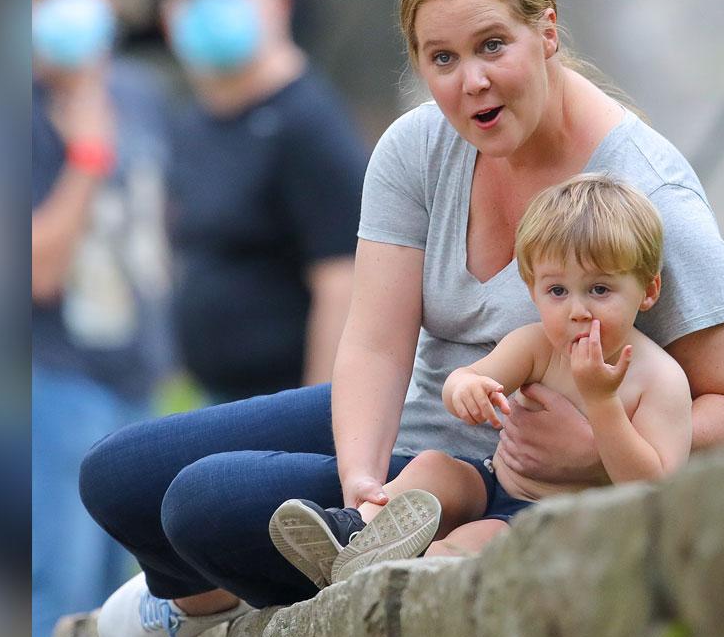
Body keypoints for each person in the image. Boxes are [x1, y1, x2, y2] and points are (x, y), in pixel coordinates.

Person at [79, 0, 724, 637]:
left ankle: (218, 567)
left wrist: (592, 451)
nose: (470, 82)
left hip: (521, 487)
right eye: (442, 59)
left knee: (201, 505)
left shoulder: (648, 191)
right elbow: (378, 346)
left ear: (546, 31)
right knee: (115, 475)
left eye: (492, 46)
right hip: (410, 447)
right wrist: (361, 484)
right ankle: (212, 592)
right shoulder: (416, 149)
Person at [269, 174, 692, 586]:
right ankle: (356, 531)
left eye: (599, 290)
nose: (577, 311)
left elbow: (654, 488)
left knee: (473, 541)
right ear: (532, 290)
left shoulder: (658, 379)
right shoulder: (538, 345)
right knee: (435, 467)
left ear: (648, 290)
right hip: (495, 481)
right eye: (557, 291)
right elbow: (469, 378)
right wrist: (467, 390)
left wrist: (603, 402)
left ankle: (412, 569)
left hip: (564, 521)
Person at [31, 0, 174, 637]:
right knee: (60, 592)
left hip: (140, 380)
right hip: (53, 383)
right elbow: (37, 272)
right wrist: (85, 151)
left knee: (135, 603)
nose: (69, 7)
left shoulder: (141, 94)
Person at [156, 0, 365, 403]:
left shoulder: (306, 121)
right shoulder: (194, 125)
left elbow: (344, 281)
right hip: (218, 398)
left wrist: (316, 418)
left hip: (283, 403)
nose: (208, 1)